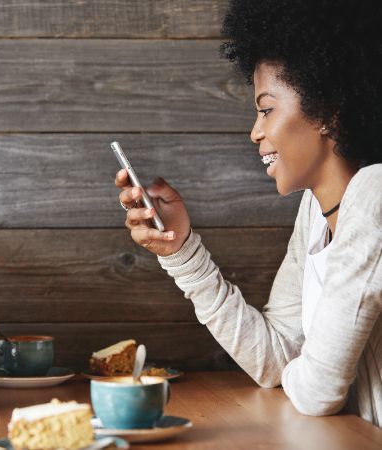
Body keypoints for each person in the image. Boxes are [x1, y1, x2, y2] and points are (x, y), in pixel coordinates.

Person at [116, 0, 382, 426]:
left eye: (266, 109)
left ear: (329, 111)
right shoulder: (315, 213)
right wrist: (181, 252)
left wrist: (306, 369)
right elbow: (274, 360)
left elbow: (318, 392)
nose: (255, 131)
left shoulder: (375, 194)